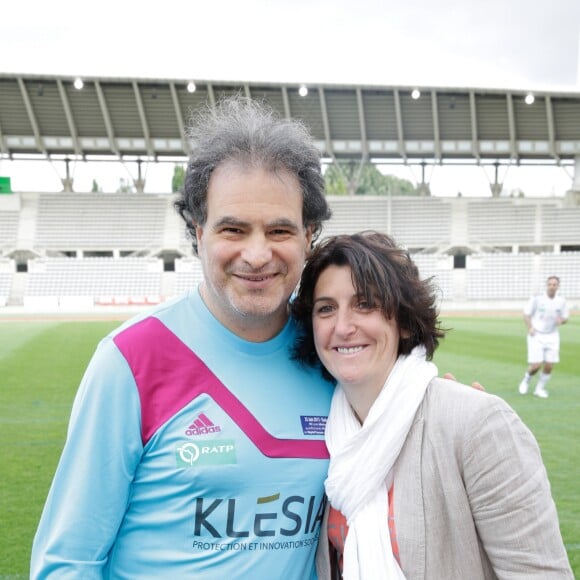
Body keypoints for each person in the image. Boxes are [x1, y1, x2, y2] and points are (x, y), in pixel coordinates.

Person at [31, 97, 334, 578]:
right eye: (233, 229)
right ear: (198, 231)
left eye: (279, 230)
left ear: (308, 236)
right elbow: (66, 562)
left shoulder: (332, 357)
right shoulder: (131, 360)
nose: (257, 255)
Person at [291, 231, 573, 579]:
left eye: (365, 304)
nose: (343, 326)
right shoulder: (328, 429)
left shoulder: (477, 423)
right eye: (326, 309)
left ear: (406, 323)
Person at [518, 275, 569, 399]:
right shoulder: (537, 299)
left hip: (552, 335)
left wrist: (561, 321)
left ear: (558, 286)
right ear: (547, 285)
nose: (552, 287)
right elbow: (526, 314)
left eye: (554, 284)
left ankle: (539, 389)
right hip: (537, 335)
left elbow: (565, 318)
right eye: (550, 284)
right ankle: (526, 379)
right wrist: (530, 327)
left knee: (549, 365)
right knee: (536, 365)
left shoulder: (561, 301)